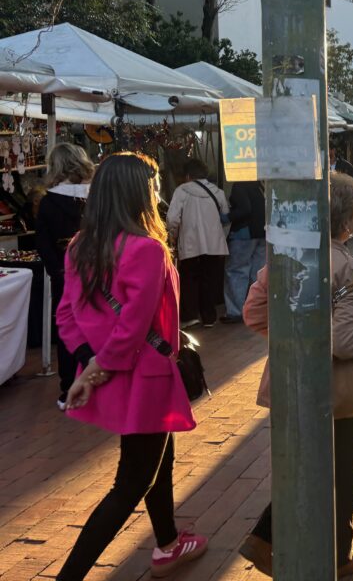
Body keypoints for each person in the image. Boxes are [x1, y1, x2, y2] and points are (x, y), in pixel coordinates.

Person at [55, 152, 206, 580]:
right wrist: (98, 367)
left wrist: (90, 363)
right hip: (147, 376)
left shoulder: (81, 246)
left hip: (119, 374)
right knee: (131, 483)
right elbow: (134, 324)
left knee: (157, 462)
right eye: (153, 185)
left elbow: (66, 315)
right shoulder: (147, 249)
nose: (158, 192)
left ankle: (168, 543)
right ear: (137, 192)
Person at [238, 172, 353, 577]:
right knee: (342, 472)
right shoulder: (345, 267)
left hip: (289, 381)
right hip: (334, 389)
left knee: (298, 464)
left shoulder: (287, 256)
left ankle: (268, 540)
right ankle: (334, 553)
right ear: (347, 221)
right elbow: (347, 341)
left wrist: (297, 340)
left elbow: (252, 313)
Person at [35, 143, 94, 411]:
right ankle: (95, 378)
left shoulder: (48, 202)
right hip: (97, 271)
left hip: (64, 273)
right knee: (97, 323)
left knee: (68, 328)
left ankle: (68, 385)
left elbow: (43, 244)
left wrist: (57, 270)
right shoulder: (95, 198)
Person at [166, 159, 229, 328]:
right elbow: (226, 215)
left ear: (188, 176)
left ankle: (191, 316)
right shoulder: (218, 192)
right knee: (210, 280)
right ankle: (209, 317)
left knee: (189, 280)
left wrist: (173, 235)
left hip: (190, 244)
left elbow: (172, 219)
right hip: (215, 245)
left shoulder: (182, 191)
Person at [221, 181, 266, 324]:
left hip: (243, 234)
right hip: (262, 233)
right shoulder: (260, 185)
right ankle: (256, 309)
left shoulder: (239, 185)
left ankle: (236, 311)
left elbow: (244, 209)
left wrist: (226, 218)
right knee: (257, 273)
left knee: (236, 271)